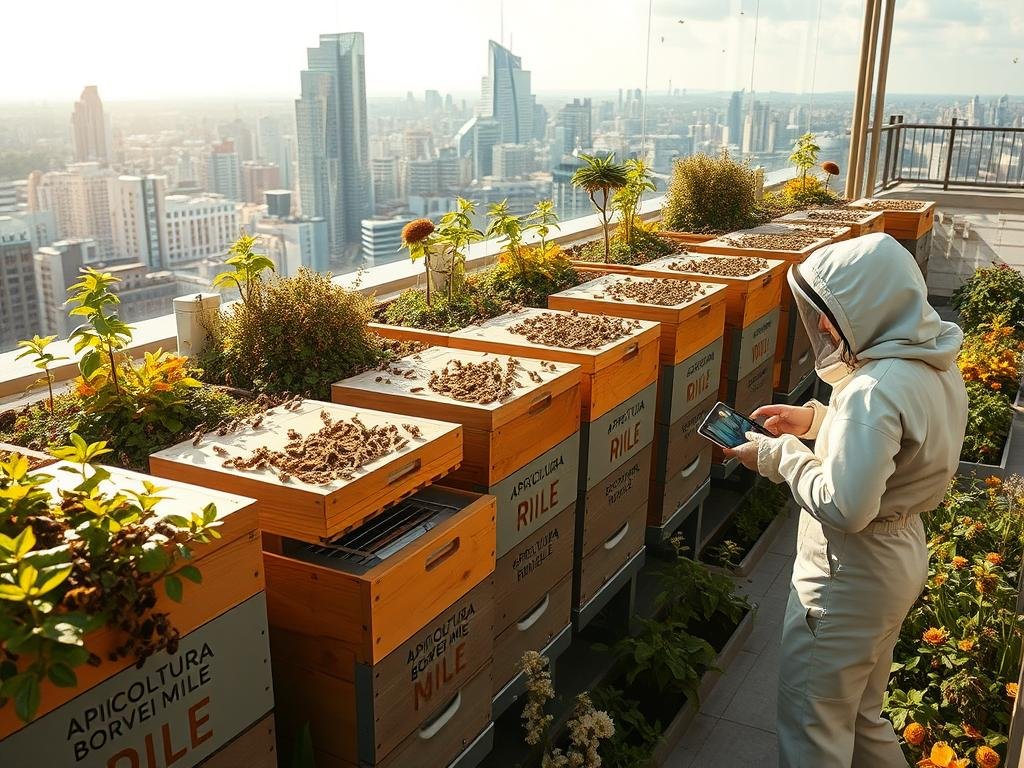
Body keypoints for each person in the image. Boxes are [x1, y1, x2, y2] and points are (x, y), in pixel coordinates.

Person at [723, 232, 968, 767]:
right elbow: (903, 446)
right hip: (897, 559)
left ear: (866, 303)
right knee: (860, 716)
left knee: (814, 726)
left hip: (848, 576)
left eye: (830, 312)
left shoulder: (871, 388)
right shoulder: (932, 360)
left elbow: (846, 505)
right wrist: (817, 422)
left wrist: (781, 455)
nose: (826, 326)